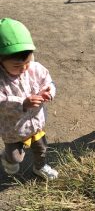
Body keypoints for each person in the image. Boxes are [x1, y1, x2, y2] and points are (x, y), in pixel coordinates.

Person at [0, 18, 58, 180]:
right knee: (16, 157)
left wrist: (48, 91)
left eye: (27, 61)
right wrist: (22, 103)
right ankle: (6, 158)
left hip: (36, 123)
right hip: (13, 129)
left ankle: (40, 167)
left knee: (42, 148)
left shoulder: (35, 68)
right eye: (16, 66)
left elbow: (48, 81)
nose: (23, 68)